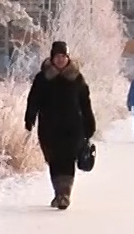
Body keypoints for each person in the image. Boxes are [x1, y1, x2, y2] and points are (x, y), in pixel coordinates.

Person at [25, 41, 96, 210]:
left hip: (73, 127)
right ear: (52, 57)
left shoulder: (76, 78)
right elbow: (33, 100)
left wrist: (89, 123)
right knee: (54, 161)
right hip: (49, 127)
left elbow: (85, 102)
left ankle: (65, 194)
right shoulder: (42, 78)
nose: (60, 59)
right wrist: (29, 119)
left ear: (67, 57)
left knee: (68, 160)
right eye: (57, 56)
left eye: (63, 56)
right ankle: (58, 193)